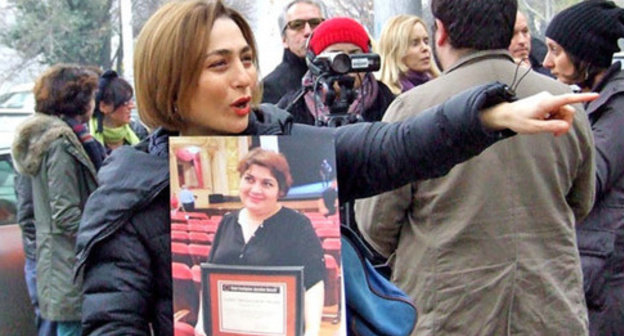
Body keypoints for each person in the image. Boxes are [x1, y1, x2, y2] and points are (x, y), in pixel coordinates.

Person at [73, 1, 596, 335]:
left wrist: (487, 114)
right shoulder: (133, 193)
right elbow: (110, 323)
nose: (244, 79)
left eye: (246, 59)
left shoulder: (291, 148)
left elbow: (393, 146)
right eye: (219, 64)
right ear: (170, 78)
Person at [355, 0, 596, 335]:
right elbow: (581, 202)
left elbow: (375, 224)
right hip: (549, 308)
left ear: (440, 31)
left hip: (449, 311)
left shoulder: (413, 109)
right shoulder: (561, 102)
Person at [543, 2, 624, 335]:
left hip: (605, 275)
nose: (547, 62)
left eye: (555, 51)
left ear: (586, 54)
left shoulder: (617, 108)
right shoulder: (595, 100)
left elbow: (591, 177)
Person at [11, 64, 100, 336]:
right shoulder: (61, 142)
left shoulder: (41, 139)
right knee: (70, 329)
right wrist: (104, 230)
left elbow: (27, 210)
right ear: (81, 100)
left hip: (54, 260)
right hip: (68, 262)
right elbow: (66, 214)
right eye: (92, 95)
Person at [207, 148, 325, 335]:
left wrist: (312, 331)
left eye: (267, 183)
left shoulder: (298, 225)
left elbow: (313, 283)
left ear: (280, 190)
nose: (255, 190)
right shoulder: (227, 222)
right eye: (249, 179)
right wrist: (201, 322)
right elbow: (210, 277)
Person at [277, 17, 395, 125]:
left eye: (354, 55)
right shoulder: (291, 107)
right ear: (314, 61)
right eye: (336, 56)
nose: (345, 66)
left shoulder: (388, 102)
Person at [13, 174, 57, 336]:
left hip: (44, 254)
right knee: (50, 317)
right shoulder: (30, 166)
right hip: (42, 257)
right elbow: (27, 218)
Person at [261, 0, 327, 104]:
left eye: (315, 23)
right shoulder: (269, 88)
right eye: (297, 25)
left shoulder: (344, 76)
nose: (308, 32)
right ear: (284, 39)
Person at [378, 14, 439, 94]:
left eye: (426, 41)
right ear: (396, 51)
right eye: (415, 43)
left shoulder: (439, 87)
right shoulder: (385, 97)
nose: (425, 48)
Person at [89, 70, 148, 152]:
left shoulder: (140, 134)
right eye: (125, 102)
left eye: (131, 101)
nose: (132, 106)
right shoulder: (86, 139)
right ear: (103, 106)